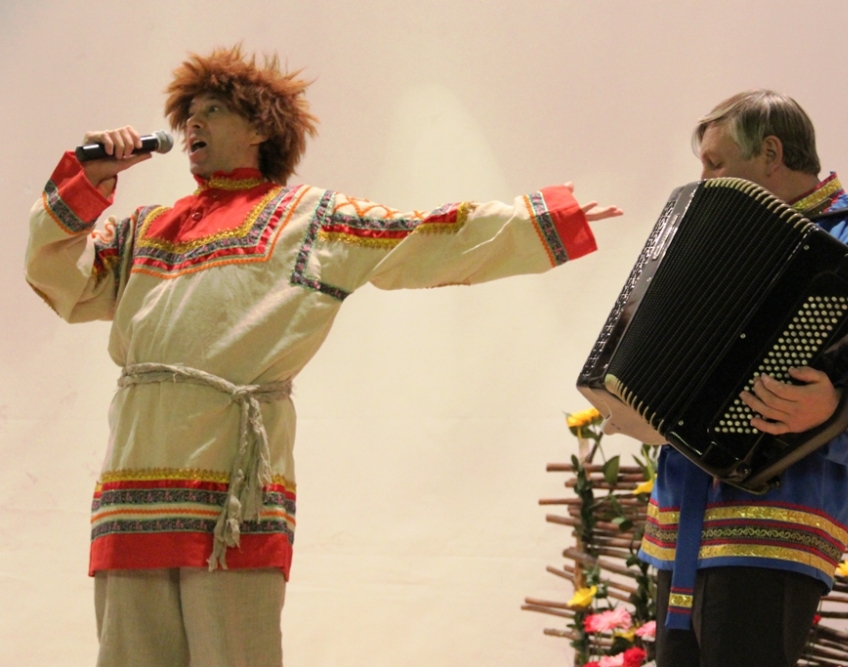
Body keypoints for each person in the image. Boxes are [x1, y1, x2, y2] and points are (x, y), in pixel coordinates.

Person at [24, 46, 621, 667]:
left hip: (232, 478)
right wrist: (88, 178)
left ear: (260, 128)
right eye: (188, 115)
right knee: (128, 655)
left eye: (213, 110)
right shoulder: (146, 229)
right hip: (133, 476)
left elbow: (424, 233)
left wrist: (545, 219)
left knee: (234, 652)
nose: (192, 125)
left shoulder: (308, 219)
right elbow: (61, 279)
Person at [636, 90, 848, 667]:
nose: (705, 179)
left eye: (716, 163)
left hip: (778, 507)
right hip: (684, 511)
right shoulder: (713, 234)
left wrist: (837, 402)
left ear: (771, 153)